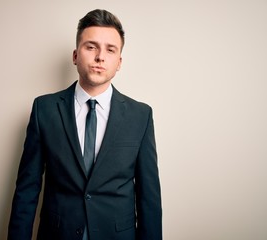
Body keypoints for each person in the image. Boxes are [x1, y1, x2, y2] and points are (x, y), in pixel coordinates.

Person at [8, 9, 162, 240]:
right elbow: (27, 190)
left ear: (119, 62)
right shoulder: (44, 109)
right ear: (75, 55)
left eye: (110, 50)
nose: (100, 56)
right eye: (91, 47)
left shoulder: (140, 115)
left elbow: (149, 197)